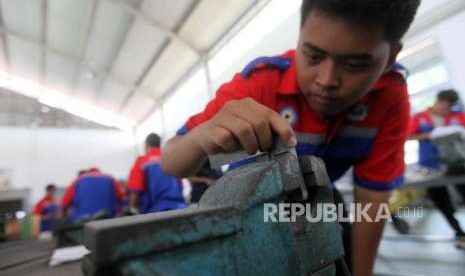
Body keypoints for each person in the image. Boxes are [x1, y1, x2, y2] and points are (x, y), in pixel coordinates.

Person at [161, 0, 421, 275]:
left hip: (321, 206)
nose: (326, 80)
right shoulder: (260, 84)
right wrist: (203, 134)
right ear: (300, 36)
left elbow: (371, 200)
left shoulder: (389, 96)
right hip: (247, 215)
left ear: (391, 56)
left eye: (354, 65)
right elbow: (171, 163)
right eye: (313, 56)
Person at [409, 89, 465, 249]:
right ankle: (459, 233)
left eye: (449, 107)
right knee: (442, 202)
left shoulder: (458, 116)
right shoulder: (419, 117)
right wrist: (429, 136)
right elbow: (407, 135)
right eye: (443, 106)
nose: (445, 110)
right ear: (437, 101)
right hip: (430, 166)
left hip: (457, 165)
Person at [128, 133, 186, 214]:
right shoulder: (171, 159)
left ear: (146, 145)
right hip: (179, 209)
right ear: (159, 144)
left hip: (155, 213)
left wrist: (133, 209)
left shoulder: (141, 162)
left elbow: (135, 191)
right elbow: (181, 186)